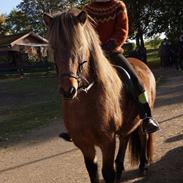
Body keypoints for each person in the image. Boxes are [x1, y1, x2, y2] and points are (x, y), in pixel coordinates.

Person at [59, 0, 159, 141]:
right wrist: (94, 51)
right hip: (93, 56)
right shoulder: (88, 8)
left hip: (112, 52)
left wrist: (108, 47)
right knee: (75, 83)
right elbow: (83, 33)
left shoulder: (118, 6)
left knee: (137, 83)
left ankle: (146, 117)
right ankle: (76, 127)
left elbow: (122, 31)